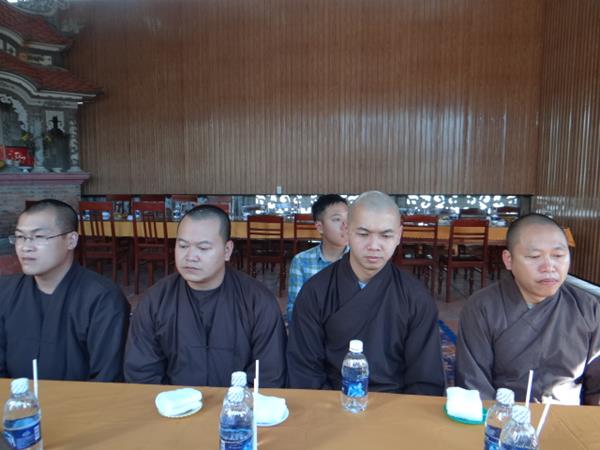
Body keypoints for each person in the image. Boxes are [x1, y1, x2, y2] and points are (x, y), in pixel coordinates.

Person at [287, 191, 445, 394]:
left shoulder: (416, 298)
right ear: (347, 231)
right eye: (363, 234)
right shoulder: (315, 292)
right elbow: (304, 371)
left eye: (386, 235)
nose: (374, 246)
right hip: (330, 402)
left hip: (396, 405)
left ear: (399, 235)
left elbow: (425, 379)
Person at [124, 205, 287, 387]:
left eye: (203, 248)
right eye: (183, 246)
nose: (190, 256)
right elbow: (141, 373)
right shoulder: (156, 301)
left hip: (241, 403)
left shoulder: (257, 302)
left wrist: (236, 403)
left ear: (227, 251)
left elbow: (268, 374)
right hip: (172, 403)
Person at [455, 213, 600, 405]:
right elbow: (473, 384)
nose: (549, 266)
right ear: (509, 260)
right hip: (501, 416)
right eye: (534, 256)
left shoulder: (588, 308)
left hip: (565, 417)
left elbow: (597, 389)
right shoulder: (482, 307)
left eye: (558, 255)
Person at [0, 199, 129, 381]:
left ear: (71, 240)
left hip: (83, 399)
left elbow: (108, 376)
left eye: (39, 236)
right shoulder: (5, 292)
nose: (25, 247)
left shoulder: (102, 299)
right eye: (20, 237)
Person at [287, 194, 349, 323]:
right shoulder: (301, 262)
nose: (345, 225)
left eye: (349, 218)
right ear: (320, 227)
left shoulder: (359, 259)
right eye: (337, 219)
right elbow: (294, 310)